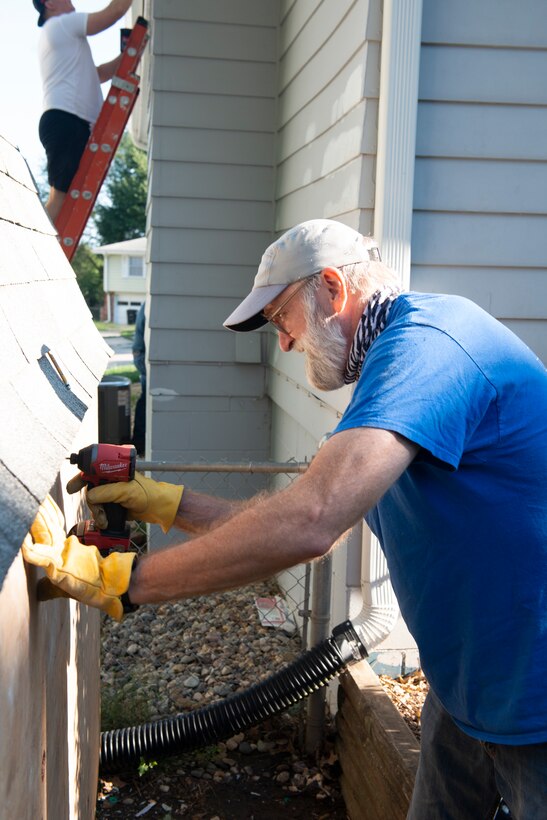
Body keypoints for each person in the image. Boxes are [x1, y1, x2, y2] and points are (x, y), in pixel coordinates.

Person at [23, 219, 547, 818]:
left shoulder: (429, 346)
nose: (286, 344)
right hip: (469, 686)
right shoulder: (391, 373)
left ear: (331, 287)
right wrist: (165, 502)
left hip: (535, 692)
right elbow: (299, 517)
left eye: (281, 319)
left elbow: (310, 521)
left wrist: (129, 582)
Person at [33, 0, 133, 220]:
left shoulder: (56, 35)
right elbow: (114, 11)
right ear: (49, 3)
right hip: (67, 120)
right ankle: (34, 248)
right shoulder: (63, 24)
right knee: (61, 201)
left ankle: (40, 246)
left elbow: (99, 74)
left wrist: (129, 52)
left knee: (62, 200)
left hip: (63, 120)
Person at [131, 303, 146, 455]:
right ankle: (139, 445)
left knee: (145, 401)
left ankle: (139, 444)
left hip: (142, 355)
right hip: (143, 357)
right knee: (146, 401)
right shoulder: (147, 306)